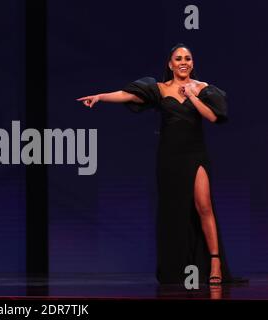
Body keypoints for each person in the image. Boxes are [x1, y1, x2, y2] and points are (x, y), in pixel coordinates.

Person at [77, 43, 234, 285]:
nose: (183, 62)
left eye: (188, 58)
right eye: (178, 58)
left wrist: (192, 95)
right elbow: (127, 94)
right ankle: (176, 266)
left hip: (195, 154)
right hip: (169, 158)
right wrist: (100, 97)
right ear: (170, 64)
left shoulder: (203, 89)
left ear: (192, 63)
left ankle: (215, 262)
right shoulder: (159, 89)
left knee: (203, 205)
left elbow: (213, 117)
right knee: (174, 211)